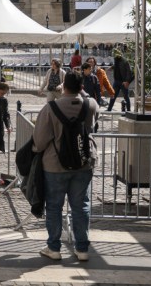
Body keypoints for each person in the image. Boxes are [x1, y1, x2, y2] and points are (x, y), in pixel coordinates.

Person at [33, 72, 97, 261]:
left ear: (63, 86)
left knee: (54, 206)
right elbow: (93, 124)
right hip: (83, 163)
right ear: (82, 86)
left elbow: (40, 140)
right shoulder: (90, 104)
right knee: (81, 206)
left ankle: (54, 247)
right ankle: (82, 248)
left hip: (55, 165)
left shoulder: (51, 108)